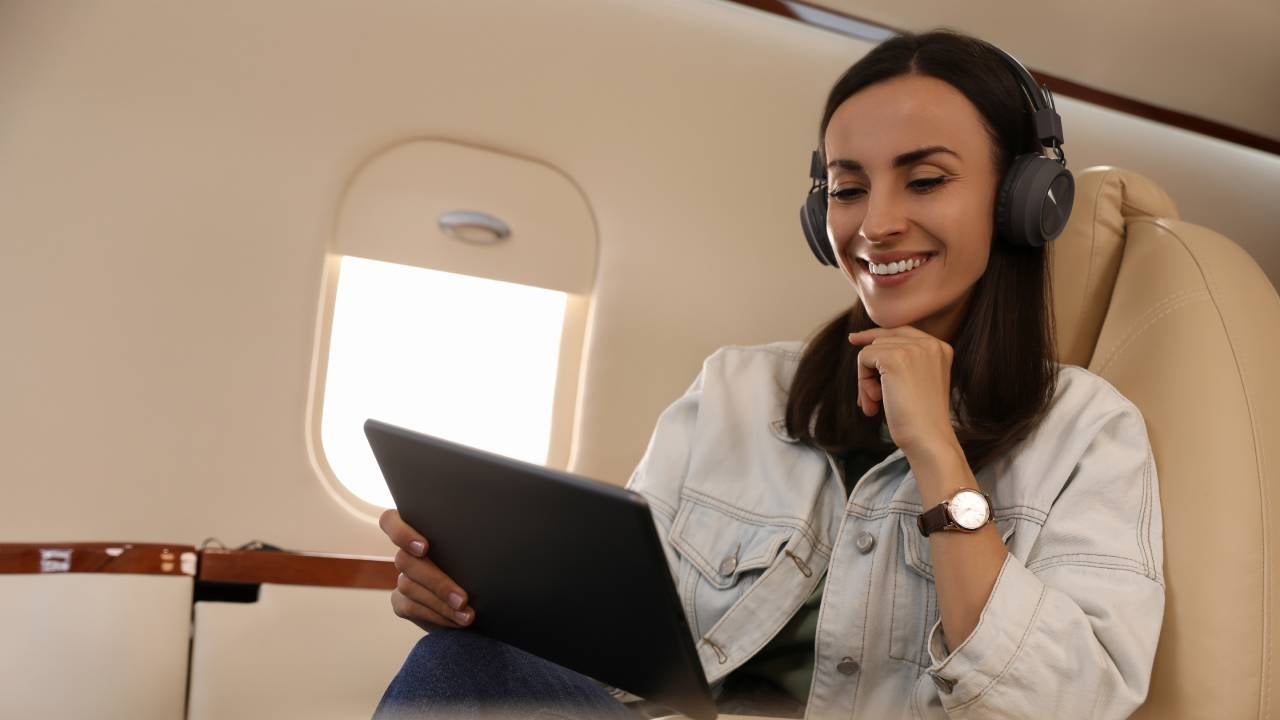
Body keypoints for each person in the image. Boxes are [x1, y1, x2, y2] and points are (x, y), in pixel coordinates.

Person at [373, 28, 1165, 720]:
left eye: (924, 180)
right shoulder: (734, 393)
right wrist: (479, 605)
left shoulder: (1090, 432)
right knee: (460, 669)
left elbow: (1070, 705)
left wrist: (938, 457)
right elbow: (617, 655)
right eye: (849, 188)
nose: (876, 222)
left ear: (1023, 201)